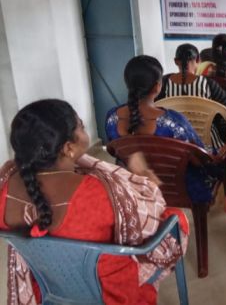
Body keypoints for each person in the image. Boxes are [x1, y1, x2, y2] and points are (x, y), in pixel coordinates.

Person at [0, 99, 188, 304]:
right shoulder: (96, 192)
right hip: (108, 291)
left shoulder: (5, 183)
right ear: (68, 148)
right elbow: (149, 217)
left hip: (47, 284)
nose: (84, 128)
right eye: (81, 125)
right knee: (175, 219)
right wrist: (144, 177)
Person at [106, 55, 222, 203]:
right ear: (157, 86)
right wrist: (219, 154)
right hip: (181, 189)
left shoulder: (111, 118)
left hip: (133, 187)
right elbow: (200, 159)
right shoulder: (173, 121)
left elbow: (114, 151)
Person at [156, 43, 226, 150]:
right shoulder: (208, 84)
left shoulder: (164, 83)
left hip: (174, 144)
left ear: (176, 61)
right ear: (198, 60)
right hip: (207, 145)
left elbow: (155, 109)